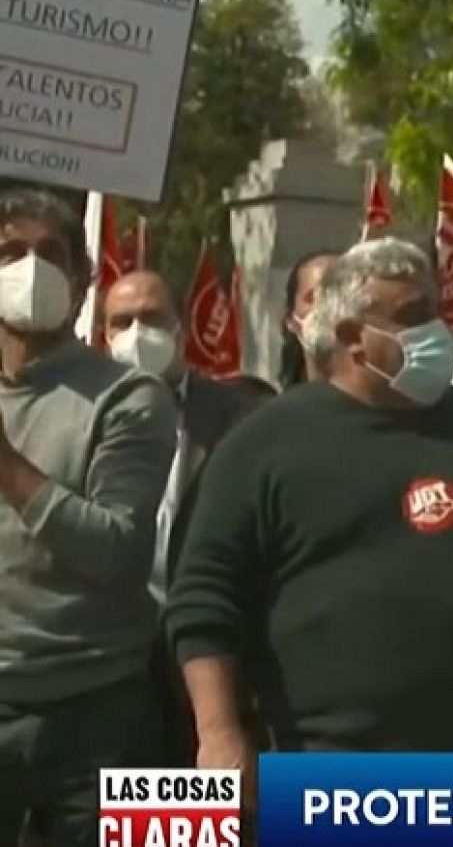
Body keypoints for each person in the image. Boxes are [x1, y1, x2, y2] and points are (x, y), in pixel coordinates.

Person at [165, 238, 453, 789]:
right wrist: (219, 732)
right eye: (411, 318)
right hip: (324, 767)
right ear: (352, 339)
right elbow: (203, 600)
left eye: (434, 312)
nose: (436, 334)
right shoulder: (263, 443)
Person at [0, 189, 178, 844]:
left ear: (81, 283)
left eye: (50, 253)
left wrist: (10, 468)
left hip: (103, 712)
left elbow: (120, 551)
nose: (30, 268)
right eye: (11, 252)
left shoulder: (129, 396)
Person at [101, 270, 259, 767]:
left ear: (180, 327)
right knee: (131, 821)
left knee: (199, 817)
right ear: (103, 335)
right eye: (120, 322)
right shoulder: (84, 413)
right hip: (115, 664)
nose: (135, 333)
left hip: (213, 658)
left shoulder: (242, 415)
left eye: (151, 318)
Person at [277, 250, 339, 390]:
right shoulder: (276, 410)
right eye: (314, 297)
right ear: (290, 319)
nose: (328, 306)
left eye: (340, 294)